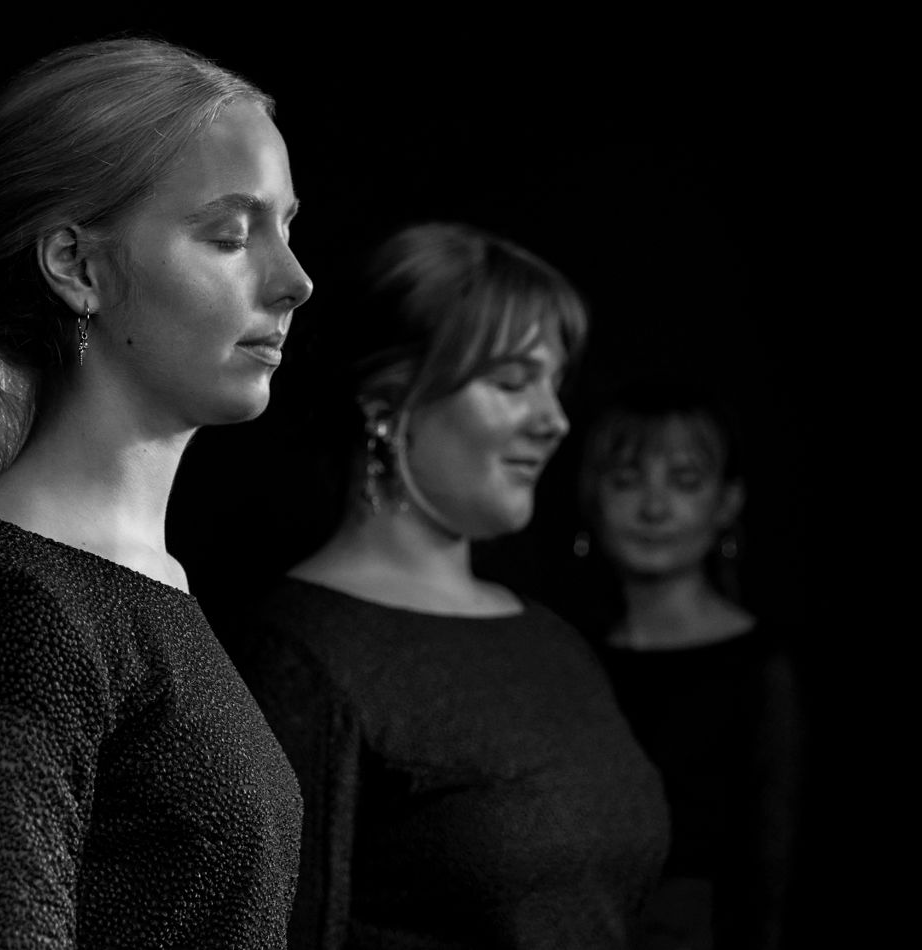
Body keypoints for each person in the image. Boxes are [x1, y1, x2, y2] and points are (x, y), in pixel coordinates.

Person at [0, 38, 313, 948]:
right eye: (230, 235)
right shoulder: (7, 606)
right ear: (77, 266)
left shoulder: (129, 582)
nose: (293, 281)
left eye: (287, 228)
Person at [227, 221, 668, 949]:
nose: (554, 420)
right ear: (388, 403)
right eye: (511, 382)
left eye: (554, 383)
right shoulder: (297, 658)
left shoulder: (551, 641)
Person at [576, 378, 802, 950]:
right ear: (591, 494)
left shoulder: (763, 670)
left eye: (685, 481)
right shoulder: (564, 653)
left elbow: (772, 875)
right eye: (626, 480)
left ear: (728, 501)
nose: (654, 508)